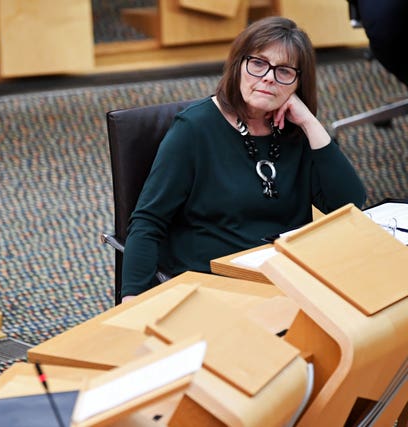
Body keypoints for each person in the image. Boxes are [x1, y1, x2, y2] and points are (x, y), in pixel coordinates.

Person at [121, 16, 366, 300]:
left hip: (286, 278)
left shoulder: (296, 132)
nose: (268, 78)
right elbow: (148, 222)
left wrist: (310, 123)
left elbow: (348, 205)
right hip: (213, 283)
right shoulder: (194, 129)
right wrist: (133, 302)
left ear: (298, 83)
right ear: (238, 65)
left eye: (284, 71)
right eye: (258, 64)